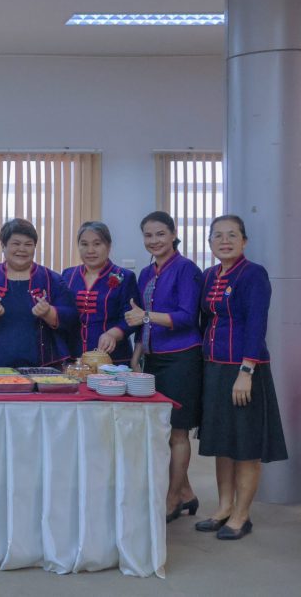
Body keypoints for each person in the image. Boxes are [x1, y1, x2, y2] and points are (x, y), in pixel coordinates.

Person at [195, 215, 287, 540]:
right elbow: (204, 321)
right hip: (214, 367)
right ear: (209, 242)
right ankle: (223, 508)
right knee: (222, 442)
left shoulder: (253, 274)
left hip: (244, 369)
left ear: (244, 241)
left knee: (245, 445)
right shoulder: (209, 276)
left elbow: (256, 324)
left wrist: (246, 371)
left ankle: (241, 515)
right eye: (218, 235)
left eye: (232, 235)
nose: (225, 241)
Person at [125, 210, 203, 523]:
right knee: (160, 430)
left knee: (178, 432)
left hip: (182, 357)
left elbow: (187, 316)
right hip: (153, 357)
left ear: (173, 235)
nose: (154, 240)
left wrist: (146, 317)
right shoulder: (146, 273)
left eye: (160, 234)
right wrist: (137, 354)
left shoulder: (187, 269)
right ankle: (186, 492)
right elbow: (139, 317)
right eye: (148, 235)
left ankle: (173, 498)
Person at [0, 218, 76, 368]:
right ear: (3, 246)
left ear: (35, 247)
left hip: (43, 365)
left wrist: (49, 312)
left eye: (28, 244)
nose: (22, 249)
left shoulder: (53, 279)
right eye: (16, 243)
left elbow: (71, 317)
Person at [62, 221, 139, 362]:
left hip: (113, 359)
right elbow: (62, 313)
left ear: (108, 246)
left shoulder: (125, 277)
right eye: (84, 244)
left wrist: (113, 334)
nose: (90, 250)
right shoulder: (68, 275)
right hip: (74, 358)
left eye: (97, 244)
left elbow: (131, 317)